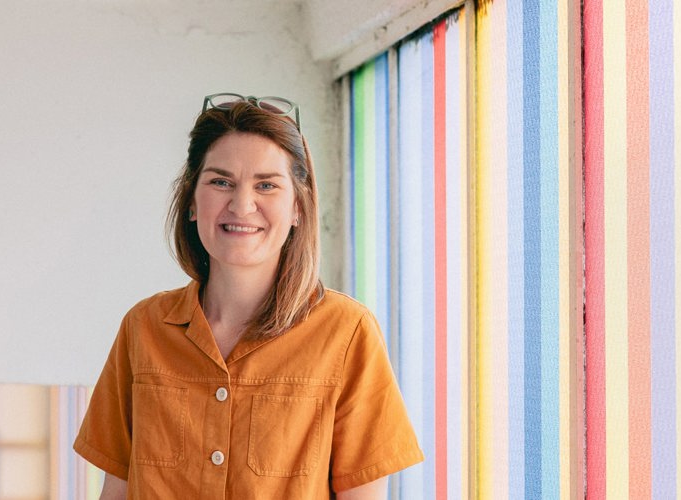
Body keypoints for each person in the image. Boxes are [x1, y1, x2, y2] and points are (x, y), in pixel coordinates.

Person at [74, 93, 423, 499]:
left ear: (297, 209)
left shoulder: (347, 333)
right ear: (191, 202)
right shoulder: (143, 327)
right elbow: (115, 491)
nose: (242, 204)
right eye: (221, 181)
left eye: (267, 185)